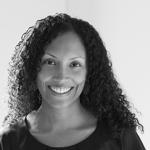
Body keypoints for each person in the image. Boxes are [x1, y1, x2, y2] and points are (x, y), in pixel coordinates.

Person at [0, 13, 145, 150]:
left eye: (75, 64)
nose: (62, 76)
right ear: (32, 68)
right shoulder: (9, 141)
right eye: (50, 62)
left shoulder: (119, 137)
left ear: (89, 72)